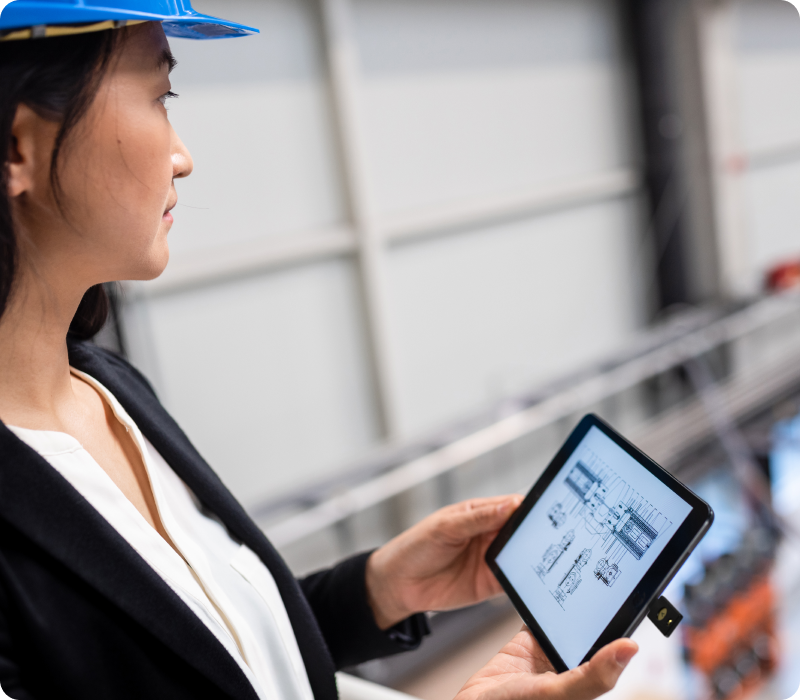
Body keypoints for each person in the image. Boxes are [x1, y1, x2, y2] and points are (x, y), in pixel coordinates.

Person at [0, 2, 638, 698]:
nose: (183, 156)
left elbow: (212, 661)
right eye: (160, 96)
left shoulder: (110, 389)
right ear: (18, 148)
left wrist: (377, 592)